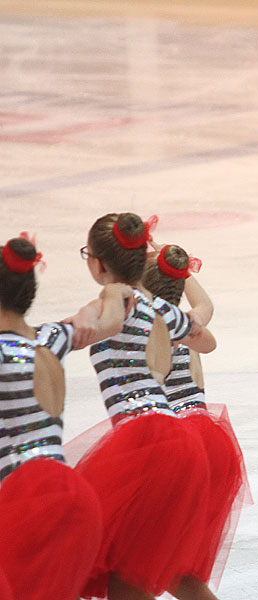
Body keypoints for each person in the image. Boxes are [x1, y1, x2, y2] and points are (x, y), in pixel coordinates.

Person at [71, 212, 221, 600]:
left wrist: (97, 311)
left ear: (97, 264)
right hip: (179, 443)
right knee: (171, 573)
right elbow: (207, 343)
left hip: (146, 444)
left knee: (127, 576)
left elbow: (92, 326)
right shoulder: (163, 311)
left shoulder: (111, 302)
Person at [0, 233, 128, 600]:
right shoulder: (51, 338)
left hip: (24, 499)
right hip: (71, 495)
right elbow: (113, 322)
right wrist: (112, 293)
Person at [142, 241, 250, 590]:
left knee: (152, 561)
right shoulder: (187, 323)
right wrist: (181, 267)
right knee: (173, 567)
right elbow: (205, 304)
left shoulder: (148, 329)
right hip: (206, 439)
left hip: (174, 441)